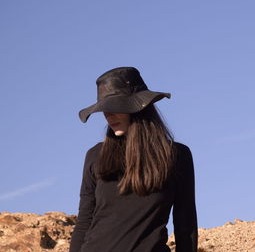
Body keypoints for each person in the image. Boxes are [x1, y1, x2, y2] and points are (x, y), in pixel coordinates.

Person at [69, 67, 198, 252]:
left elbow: (185, 223)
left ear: (138, 107)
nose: (108, 114)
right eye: (105, 109)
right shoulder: (95, 155)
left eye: (114, 106)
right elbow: (84, 221)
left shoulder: (177, 155)